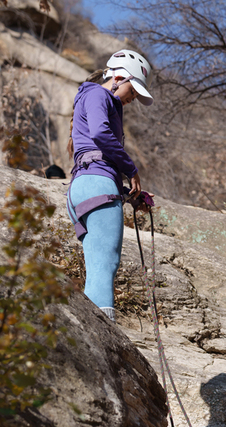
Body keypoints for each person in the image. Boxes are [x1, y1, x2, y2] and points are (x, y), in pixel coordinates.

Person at [66, 49, 153, 321]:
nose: (133, 97)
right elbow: (100, 134)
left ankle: (93, 335)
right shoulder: (97, 95)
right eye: (133, 89)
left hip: (86, 186)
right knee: (106, 264)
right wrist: (131, 170)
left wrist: (130, 195)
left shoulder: (94, 98)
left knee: (97, 268)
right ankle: (107, 337)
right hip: (97, 185)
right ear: (118, 76)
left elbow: (97, 156)